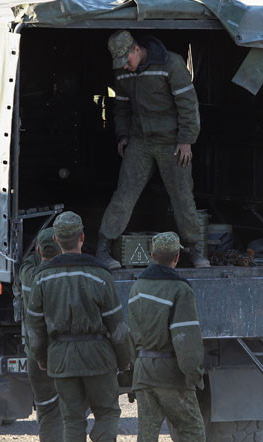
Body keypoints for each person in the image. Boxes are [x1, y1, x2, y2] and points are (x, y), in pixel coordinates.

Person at [25, 211, 134, 442]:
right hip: (99, 356)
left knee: (72, 419)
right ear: (82, 237)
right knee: (107, 412)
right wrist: (125, 361)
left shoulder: (41, 278)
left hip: (60, 358)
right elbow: (118, 327)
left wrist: (42, 358)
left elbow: (35, 329)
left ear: (57, 241)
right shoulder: (100, 275)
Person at [96, 30, 210, 270]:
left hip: (173, 143)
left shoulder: (171, 64)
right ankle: (104, 248)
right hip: (140, 141)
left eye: (127, 61)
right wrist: (123, 135)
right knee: (124, 193)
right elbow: (122, 107)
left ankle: (195, 249)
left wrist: (186, 140)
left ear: (137, 50)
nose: (125, 67)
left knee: (182, 196)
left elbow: (188, 104)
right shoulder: (123, 72)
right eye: (120, 64)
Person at [127, 232, 206, 442]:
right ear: (177, 257)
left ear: (152, 256)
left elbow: (131, 333)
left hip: (143, 370)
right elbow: (186, 338)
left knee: (147, 432)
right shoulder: (180, 290)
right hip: (170, 372)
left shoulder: (137, 286)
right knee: (191, 428)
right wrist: (194, 374)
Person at [19, 227, 66, 442]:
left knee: (47, 413)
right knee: (72, 412)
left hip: (38, 357)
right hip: (68, 353)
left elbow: (26, 262)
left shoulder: (29, 275)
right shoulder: (68, 276)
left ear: (39, 250)